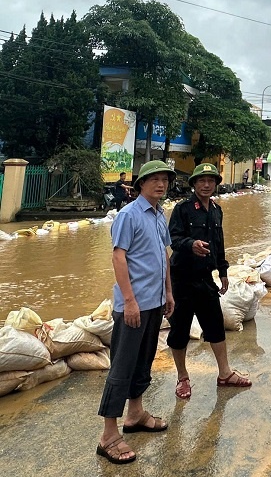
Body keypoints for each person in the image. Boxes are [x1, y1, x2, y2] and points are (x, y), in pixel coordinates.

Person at [96, 160, 176, 465]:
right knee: (121, 367)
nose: (160, 184)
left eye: (164, 180)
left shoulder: (159, 216)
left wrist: (168, 292)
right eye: (154, 180)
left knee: (144, 362)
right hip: (134, 306)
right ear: (140, 184)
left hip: (154, 303)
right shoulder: (129, 215)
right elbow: (119, 258)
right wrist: (129, 301)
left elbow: (164, 257)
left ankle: (136, 413)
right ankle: (108, 436)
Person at [167, 163, 252, 401]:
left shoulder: (216, 210)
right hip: (181, 279)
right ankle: (183, 377)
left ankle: (225, 373)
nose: (206, 185)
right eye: (201, 181)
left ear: (216, 184)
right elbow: (173, 238)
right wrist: (190, 244)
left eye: (211, 181)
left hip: (205, 278)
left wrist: (223, 271)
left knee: (215, 325)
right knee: (180, 330)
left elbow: (219, 243)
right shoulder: (182, 209)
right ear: (193, 184)